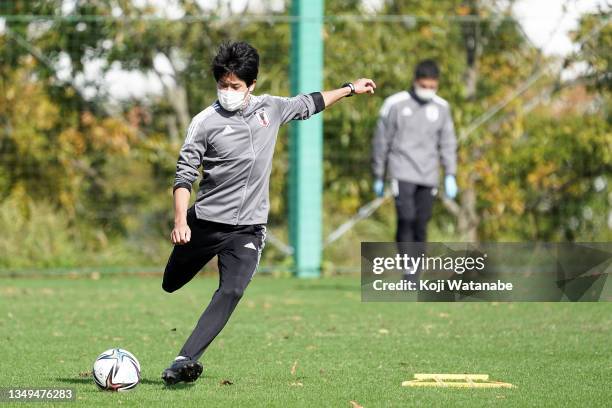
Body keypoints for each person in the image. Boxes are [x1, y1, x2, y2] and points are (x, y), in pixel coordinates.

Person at [161, 41, 376, 385]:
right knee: (171, 284)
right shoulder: (204, 122)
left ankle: (184, 360)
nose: (228, 92)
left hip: (248, 229)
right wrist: (180, 221)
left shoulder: (270, 109)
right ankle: (180, 271)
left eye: (235, 86)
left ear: (252, 86)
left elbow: (309, 103)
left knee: (232, 290)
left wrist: (349, 89)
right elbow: (185, 174)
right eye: (222, 85)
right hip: (204, 224)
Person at [371, 59, 457, 244]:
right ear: (415, 81)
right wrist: (378, 175)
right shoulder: (395, 104)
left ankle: (414, 271)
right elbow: (381, 141)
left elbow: (448, 142)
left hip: (428, 174)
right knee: (407, 219)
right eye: (423, 85)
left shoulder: (442, 108)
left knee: (421, 223)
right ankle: (408, 267)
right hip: (402, 171)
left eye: (431, 86)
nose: (427, 89)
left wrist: (450, 174)